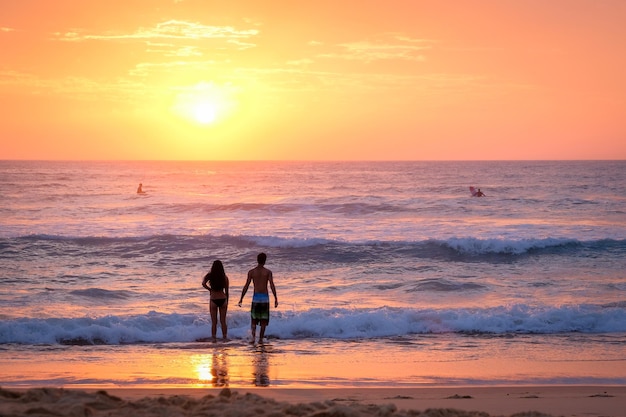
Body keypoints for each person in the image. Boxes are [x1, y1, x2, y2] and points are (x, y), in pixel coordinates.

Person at [238, 253, 278, 345]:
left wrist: (241, 298)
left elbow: (246, 286)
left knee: (254, 320)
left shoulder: (251, 272)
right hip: (265, 298)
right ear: (265, 260)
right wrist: (275, 297)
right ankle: (260, 339)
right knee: (263, 320)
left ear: (257, 260)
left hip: (255, 298)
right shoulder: (268, 272)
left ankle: (253, 338)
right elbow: (272, 285)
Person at [202, 260, 230, 341]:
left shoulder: (210, 276)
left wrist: (210, 290)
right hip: (223, 299)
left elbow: (203, 283)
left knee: (214, 322)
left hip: (213, 299)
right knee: (223, 321)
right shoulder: (224, 277)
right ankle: (225, 338)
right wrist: (227, 301)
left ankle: (214, 339)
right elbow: (227, 291)